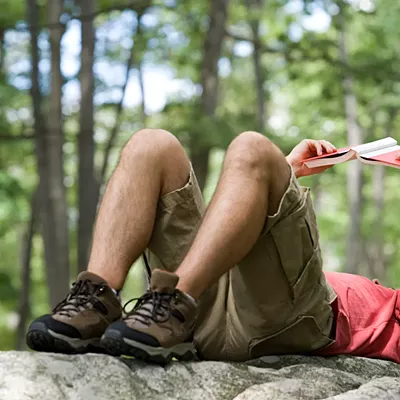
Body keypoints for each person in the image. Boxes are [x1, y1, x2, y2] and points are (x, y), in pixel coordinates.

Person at [26, 130, 400, 364]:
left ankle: (175, 301)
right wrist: (277, 174)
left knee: (252, 146)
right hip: (207, 304)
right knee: (151, 145)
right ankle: (96, 298)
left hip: (288, 324)